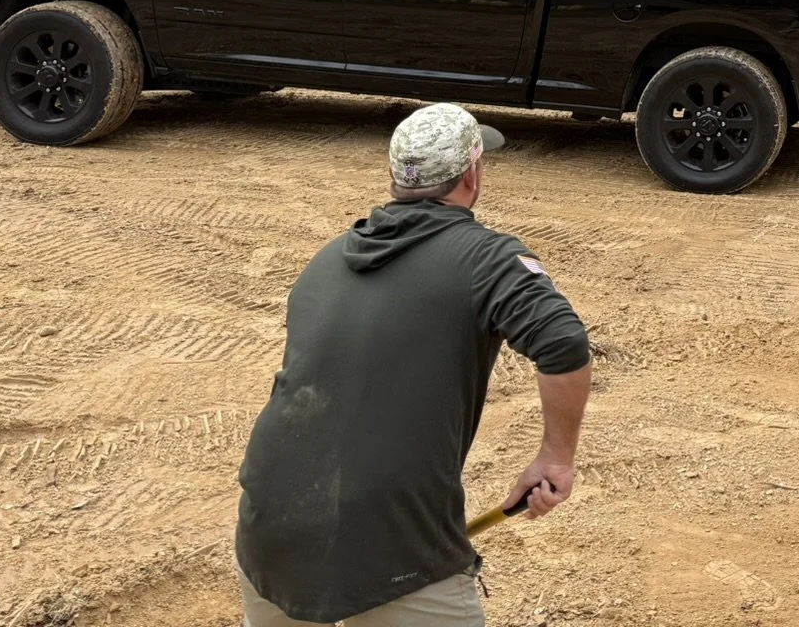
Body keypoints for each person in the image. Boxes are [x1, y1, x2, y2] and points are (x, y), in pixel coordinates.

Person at [235, 103, 593, 627]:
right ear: (471, 175)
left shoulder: (327, 259)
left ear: (396, 178)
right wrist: (556, 458)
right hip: (391, 536)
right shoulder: (486, 259)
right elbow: (563, 343)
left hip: (269, 516)